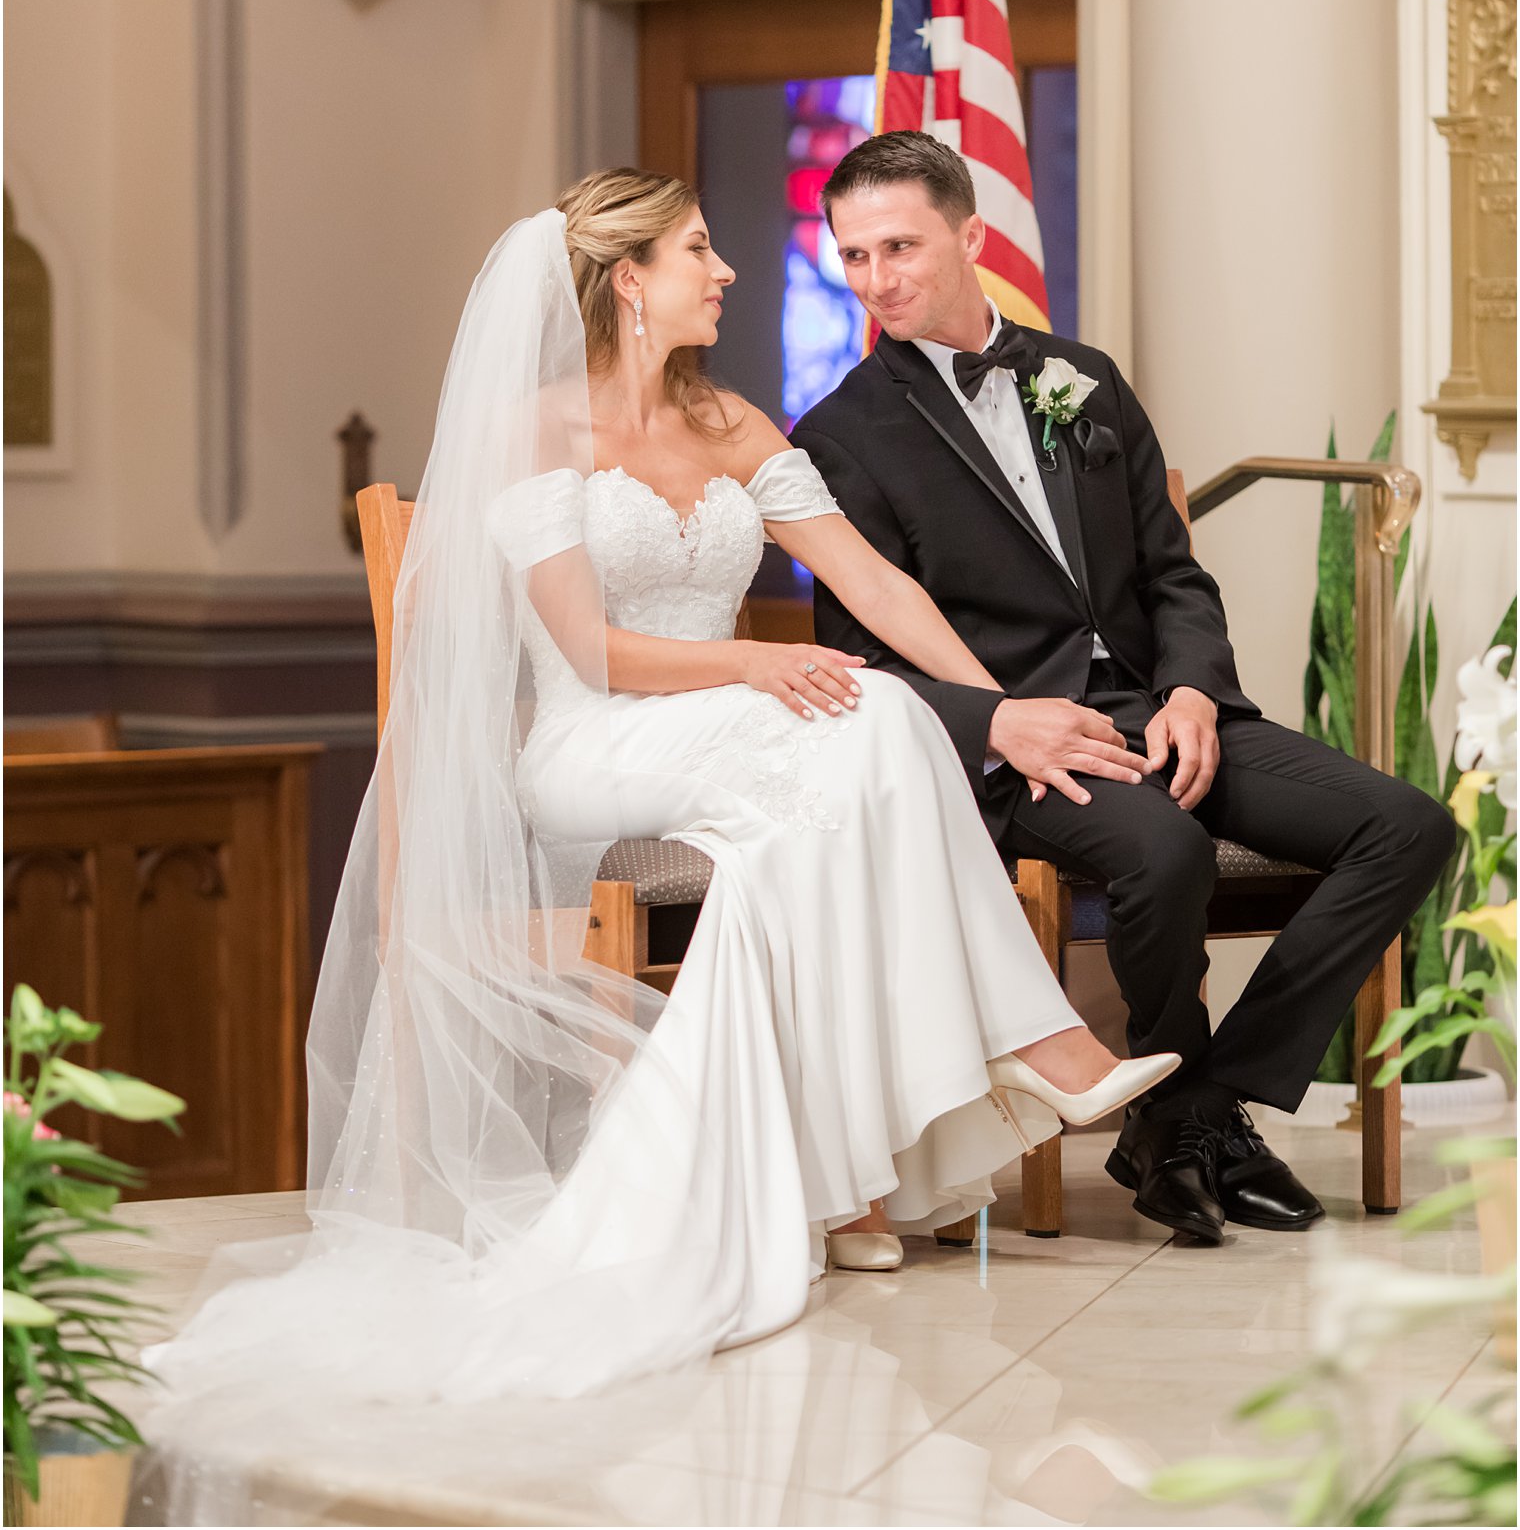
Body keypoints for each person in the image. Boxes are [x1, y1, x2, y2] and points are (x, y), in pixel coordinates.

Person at [144, 171, 1176, 1472]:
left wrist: (1001, 708)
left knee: (876, 745)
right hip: (594, 743)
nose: (727, 270)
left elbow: (872, 583)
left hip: (727, 729)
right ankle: (1013, 1064)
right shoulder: (538, 434)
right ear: (630, 279)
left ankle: (850, 1174)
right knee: (860, 732)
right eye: (700, 250)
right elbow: (590, 646)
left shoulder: (734, 420)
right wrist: (754, 666)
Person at [793, 130, 1456, 1246]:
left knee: (1407, 826)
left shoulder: (1082, 377)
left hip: (1167, 712)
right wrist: (1004, 722)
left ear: (969, 234)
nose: (875, 279)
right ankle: (1196, 1122)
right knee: (1163, 850)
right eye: (852, 256)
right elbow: (871, 665)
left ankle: (1191, 1107)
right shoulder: (838, 438)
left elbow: (1170, 571)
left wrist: (1194, 690)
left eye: (898, 246)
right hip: (1019, 743)